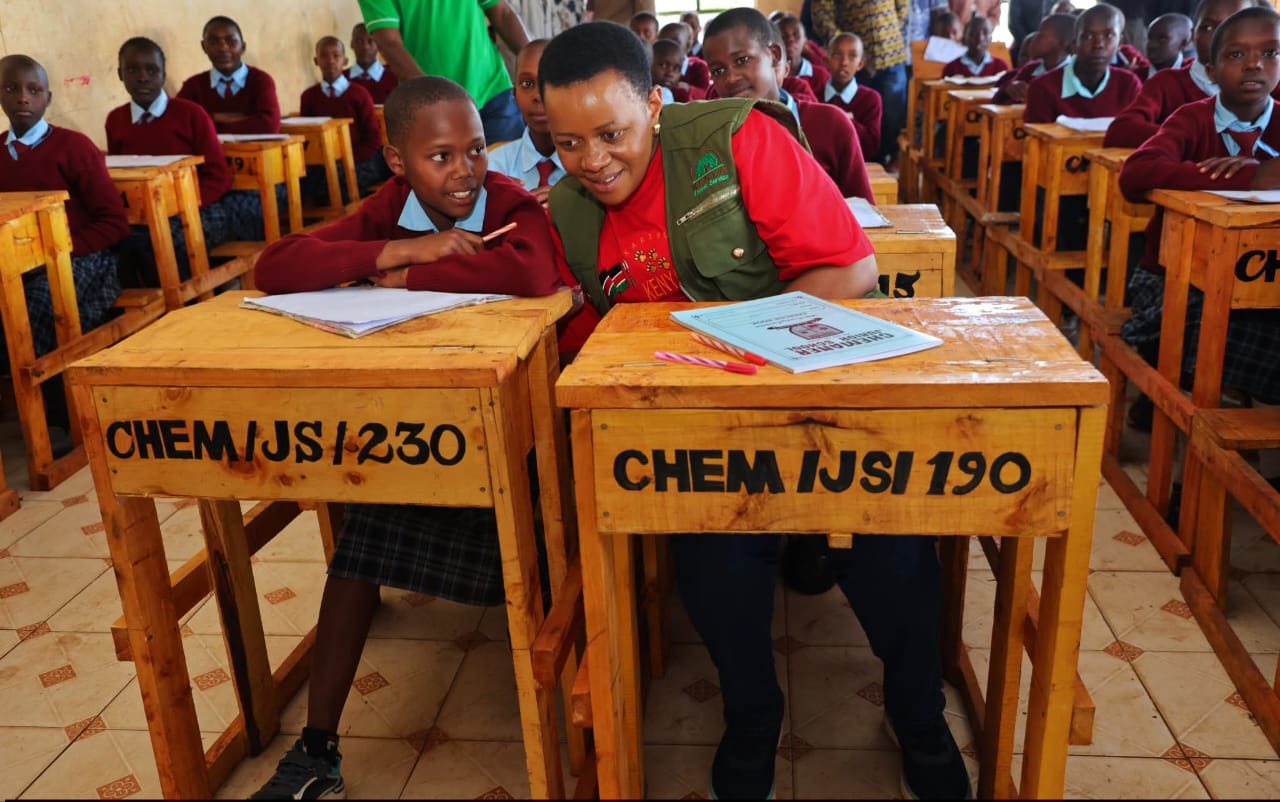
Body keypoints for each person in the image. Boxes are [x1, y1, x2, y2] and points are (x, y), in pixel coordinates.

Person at [540, 20, 968, 801]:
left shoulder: (736, 143)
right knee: (713, 567)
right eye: (567, 143)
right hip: (705, 429)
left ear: (657, 104)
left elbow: (850, 269)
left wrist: (729, 344)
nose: (592, 162)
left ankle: (917, 711)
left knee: (892, 556)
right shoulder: (569, 210)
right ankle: (752, 714)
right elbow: (590, 334)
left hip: (818, 399)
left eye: (610, 134)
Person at [248, 78, 560, 800]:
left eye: (476, 150)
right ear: (396, 161)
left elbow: (531, 269)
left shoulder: (509, 201)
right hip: (424, 426)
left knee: (502, 540)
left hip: (520, 441)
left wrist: (409, 271)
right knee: (362, 533)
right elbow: (276, 266)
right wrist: (392, 249)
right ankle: (317, 748)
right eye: (441, 156)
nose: (464, 172)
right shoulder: (388, 210)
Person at [1118, 5, 1280, 436]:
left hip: (1268, 281)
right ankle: (1187, 454)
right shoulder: (1192, 118)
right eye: (1236, 55)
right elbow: (1135, 174)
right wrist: (1252, 176)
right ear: (1210, 70)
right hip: (1174, 276)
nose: (1254, 65)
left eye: (1270, 53)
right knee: (1210, 318)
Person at [0, 55, 127, 369]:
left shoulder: (75, 147)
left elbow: (113, 223)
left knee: (34, 308)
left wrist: (59, 253)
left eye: (34, 89)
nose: (22, 97)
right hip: (15, 265)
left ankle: (49, 403)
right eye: (11, 88)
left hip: (81, 258)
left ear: (48, 98)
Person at [704, 9, 875, 201]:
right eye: (718, 71)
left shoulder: (830, 124)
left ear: (774, 55)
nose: (731, 78)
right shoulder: (715, 136)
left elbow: (864, 215)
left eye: (742, 60)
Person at [106, 37, 233, 285]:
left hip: (198, 208)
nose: (143, 77)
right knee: (116, 242)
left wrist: (177, 205)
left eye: (152, 70)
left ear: (164, 75)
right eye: (132, 70)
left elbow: (219, 176)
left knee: (161, 240)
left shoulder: (191, 114)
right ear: (121, 74)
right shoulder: (116, 120)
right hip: (143, 215)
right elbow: (121, 178)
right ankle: (145, 312)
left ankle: (186, 305)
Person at [356, 0, 530, 144]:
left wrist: (535, 63)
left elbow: (502, 13)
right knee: (455, 183)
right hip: (433, 107)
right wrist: (434, 101)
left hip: (492, 92)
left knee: (511, 179)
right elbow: (389, 43)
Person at [1105, 0, 1261, 148]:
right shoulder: (1167, 83)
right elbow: (1121, 130)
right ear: (1192, 37)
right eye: (1207, 28)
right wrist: (1194, 139)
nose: (1221, 39)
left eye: (1237, 28)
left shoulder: (1270, 88)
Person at [812, 0, 911, 166]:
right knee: (856, 115)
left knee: (892, 117)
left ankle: (880, 166)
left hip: (890, 52)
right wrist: (850, 45)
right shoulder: (845, 58)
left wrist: (886, 34)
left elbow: (902, 8)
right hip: (852, 55)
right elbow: (822, 15)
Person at [1024, 3, 1142, 123]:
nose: (1098, 44)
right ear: (1074, 45)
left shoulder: (1128, 84)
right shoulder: (1043, 88)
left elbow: (1136, 135)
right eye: (1088, 36)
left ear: (1120, 43)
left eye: (1109, 35)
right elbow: (1037, 140)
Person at [300, 36, 385, 200]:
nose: (330, 61)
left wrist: (346, 159)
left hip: (359, 160)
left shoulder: (360, 94)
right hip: (322, 163)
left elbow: (373, 138)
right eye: (324, 56)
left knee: (342, 180)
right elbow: (308, 138)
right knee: (303, 182)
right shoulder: (309, 96)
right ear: (316, 61)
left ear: (345, 61)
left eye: (336, 56)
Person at [487, 39, 564, 203]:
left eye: (549, 82)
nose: (537, 96)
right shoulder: (493, 168)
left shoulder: (592, 167)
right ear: (514, 94)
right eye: (527, 83)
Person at [177, 16, 280, 134]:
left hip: (254, 152)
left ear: (243, 47)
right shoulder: (193, 86)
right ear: (204, 47)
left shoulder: (261, 81)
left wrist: (209, 121)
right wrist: (217, 118)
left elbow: (269, 125)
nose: (222, 48)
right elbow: (179, 123)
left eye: (231, 41)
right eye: (213, 42)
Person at [824, 32, 884, 161]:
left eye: (852, 56)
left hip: (856, 165)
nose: (844, 62)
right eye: (837, 55)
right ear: (827, 62)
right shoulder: (814, 95)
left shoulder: (871, 99)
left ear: (860, 64)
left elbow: (871, 148)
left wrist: (843, 120)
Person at [994, 12, 1076, 104]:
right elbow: (997, 101)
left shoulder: (1074, 74)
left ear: (1061, 43)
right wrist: (1009, 89)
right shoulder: (1030, 69)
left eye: (1040, 35)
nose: (1034, 39)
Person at [778, 13, 831, 97]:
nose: (790, 39)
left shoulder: (821, 76)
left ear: (805, 41)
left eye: (796, 35)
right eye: (783, 36)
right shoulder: (772, 75)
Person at [346, 22, 398, 104]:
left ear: (379, 45)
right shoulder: (342, 79)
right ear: (352, 44)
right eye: (359, 41)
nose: (365, 47)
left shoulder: (394, 78)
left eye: (371, 41)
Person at [942, 16, 1011, 77]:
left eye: (985, 32)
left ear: (991, 39)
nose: (980, 38)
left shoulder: (1000, 67)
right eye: (973, 33)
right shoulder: (951, 68)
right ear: (964, 39)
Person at [660, 21, 711, 95]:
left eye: (675, 42)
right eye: (663, 43)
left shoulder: (698, 67)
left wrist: (689, 89)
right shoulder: (655, 67)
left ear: (688, 45)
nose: (669, 47)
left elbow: (707, 95)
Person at [1144, 13, 1194, 77]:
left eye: (1162, 39)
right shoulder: (1137, 76)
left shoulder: (1193, 77)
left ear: (1183, 44)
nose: (1152, 45)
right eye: (1150, 38)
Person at [652, 39, 693, 103]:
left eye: (676, 69)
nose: (670, 73)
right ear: (649, 62)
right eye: (663, 65)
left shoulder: (681, 97)